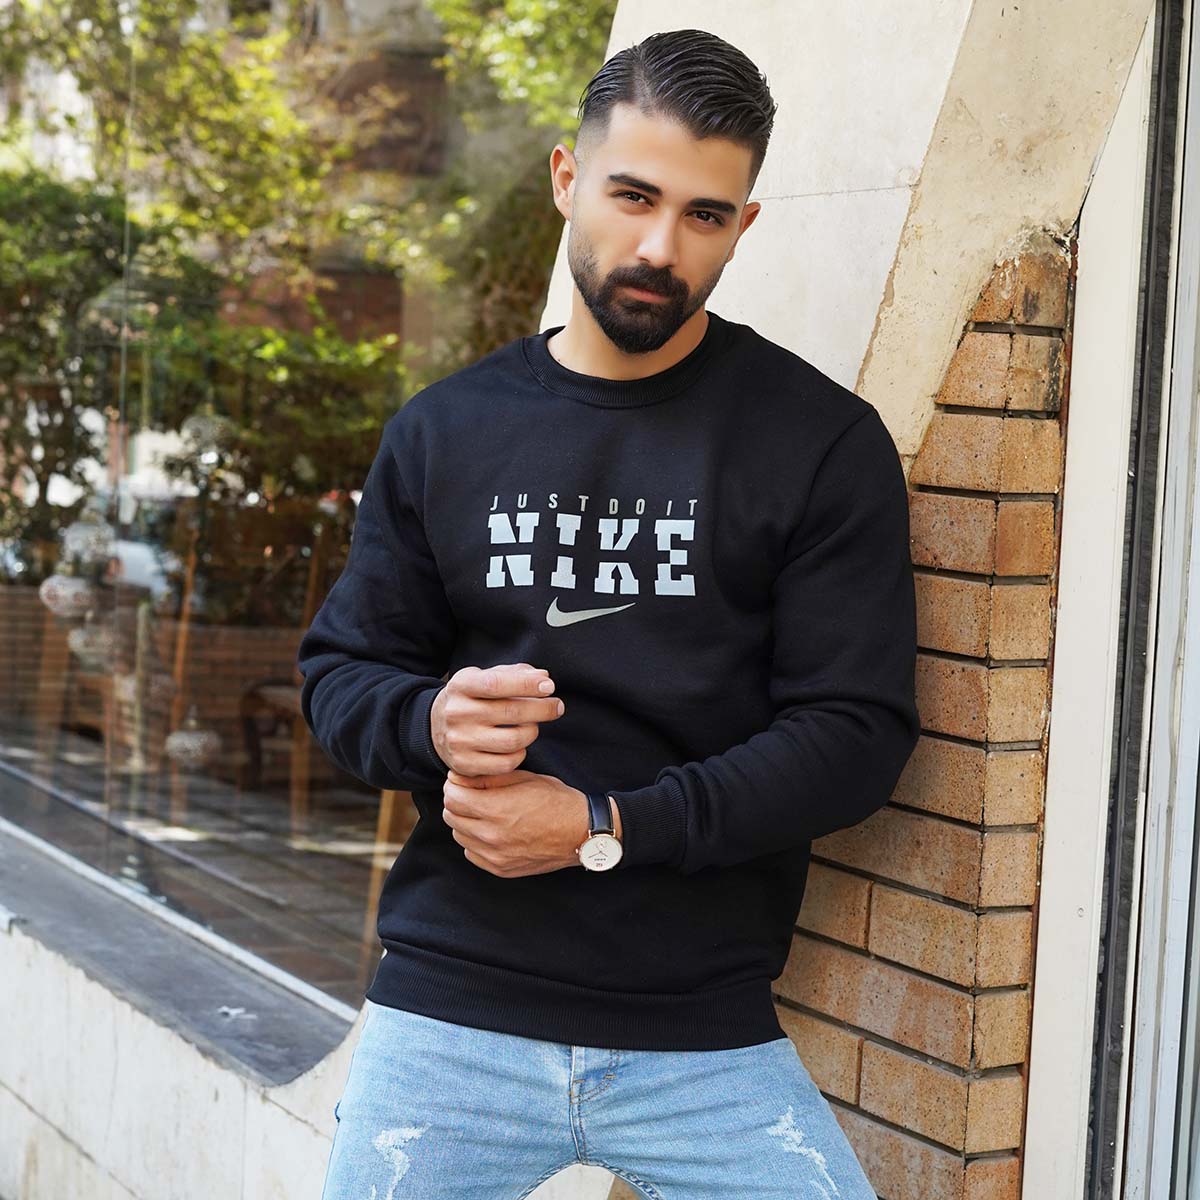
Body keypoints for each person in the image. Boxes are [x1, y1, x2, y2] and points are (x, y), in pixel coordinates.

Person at [299, 26, 919, 1200]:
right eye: (633, 195)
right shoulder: (444, 431)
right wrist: (430, 722)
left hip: (704, 1035)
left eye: (704, 215)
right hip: (449, 1017)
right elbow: (340, 675)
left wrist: (604, 824)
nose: (659, 247)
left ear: (743, 224)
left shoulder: (818, 444)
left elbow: (855, 734)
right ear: (566, 178)